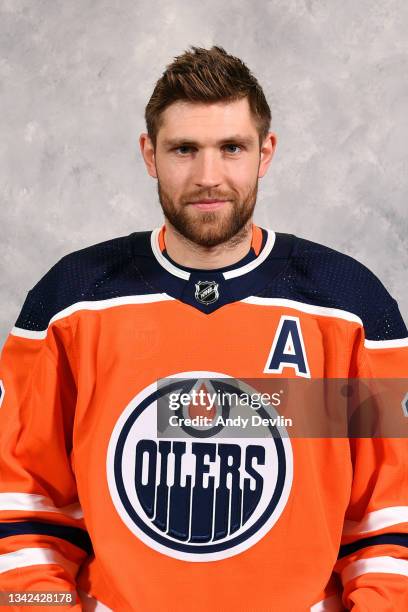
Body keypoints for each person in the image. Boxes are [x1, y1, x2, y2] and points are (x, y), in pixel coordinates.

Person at [0, 45, 407, 611]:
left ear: (266, 152)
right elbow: (25, 507)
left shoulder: (346, 307)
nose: (208, 176)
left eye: (232, 148)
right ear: (150, 154)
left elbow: (386, 520)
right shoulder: (73, 303)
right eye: (184, 149)